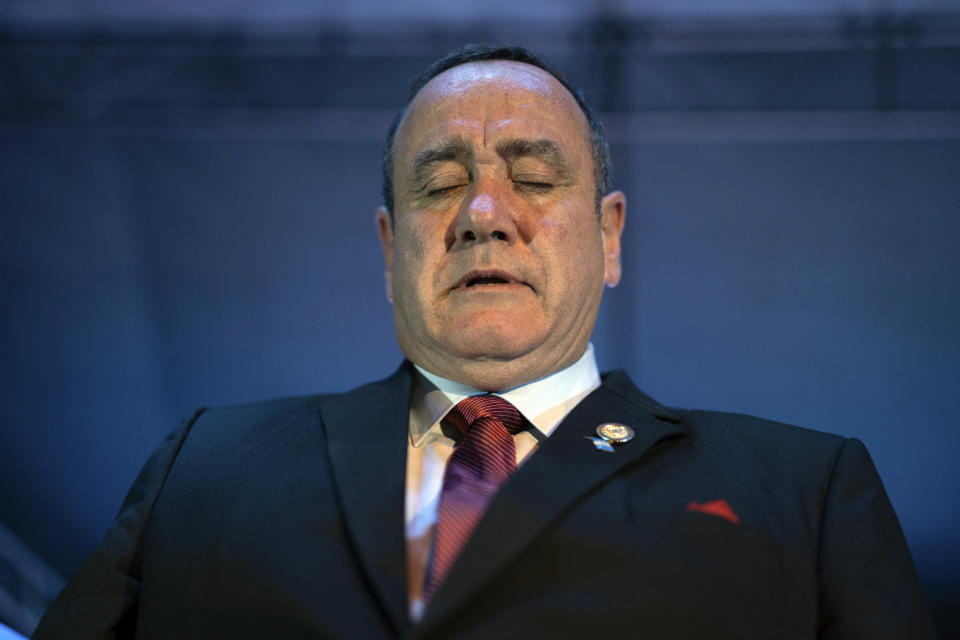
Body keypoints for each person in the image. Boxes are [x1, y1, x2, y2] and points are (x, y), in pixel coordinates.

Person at [34, 45, 936, 640]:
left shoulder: (803, 492)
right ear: (391, 250)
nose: (482, 215)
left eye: (534, 178)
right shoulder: (205, 466)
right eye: (440, 186)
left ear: (610, 236)